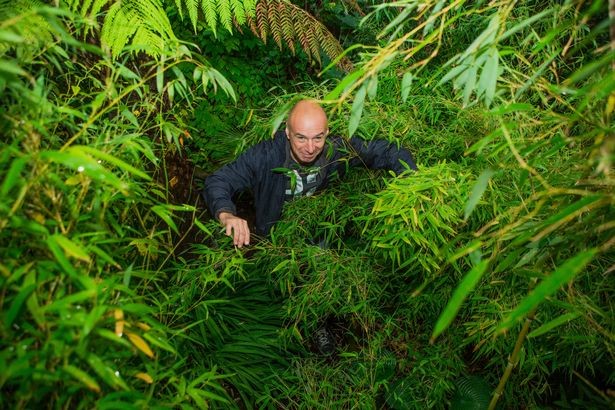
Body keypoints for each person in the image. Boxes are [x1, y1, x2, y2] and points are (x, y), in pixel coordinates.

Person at [202, 99, 417, 247]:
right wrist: (226, 215)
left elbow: (387, 151)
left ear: (327, 133)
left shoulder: (337, 150)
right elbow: (218, 181)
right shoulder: (266, 156)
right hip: (274, 236)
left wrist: (412, 182)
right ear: (287, 133)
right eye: (301, 138)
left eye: (318, 137)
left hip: (318, 230)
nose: (311, 147)